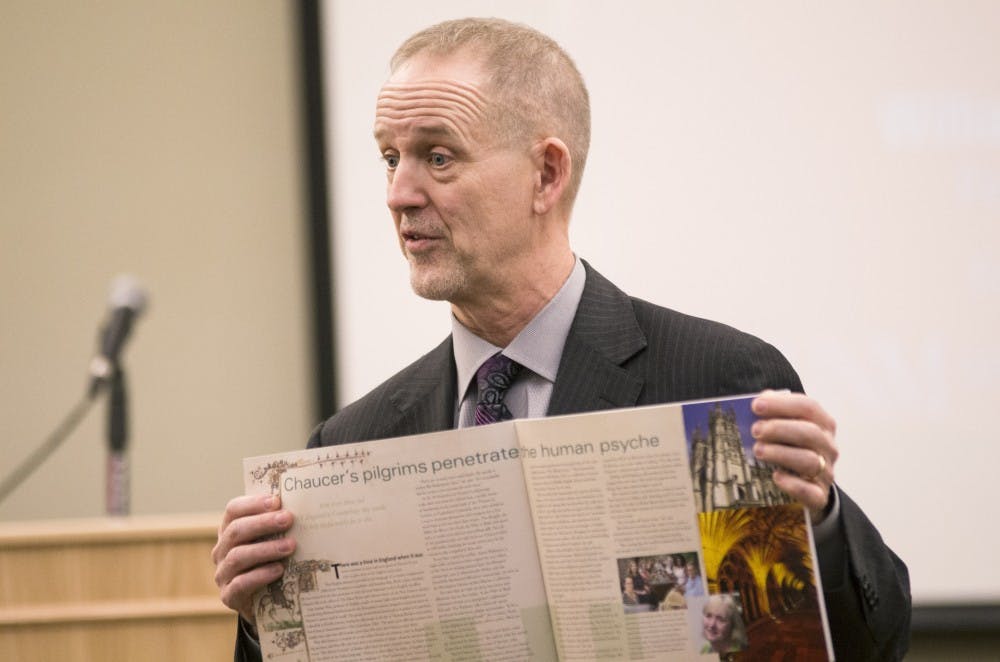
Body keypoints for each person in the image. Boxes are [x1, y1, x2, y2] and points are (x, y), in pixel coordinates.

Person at [212, 17, 911, 661]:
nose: (399, 192)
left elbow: (857, 648)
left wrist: (813, 526)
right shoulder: (347, 447)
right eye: (391, 158)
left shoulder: (715, 383)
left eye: (439, 157)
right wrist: (264, 620)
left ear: (546, 174)